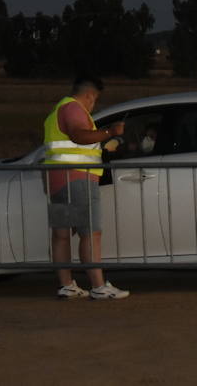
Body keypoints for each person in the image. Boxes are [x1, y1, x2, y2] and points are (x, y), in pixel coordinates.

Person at [43, 77, 129, 299]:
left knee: (61, 235)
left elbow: (76, 141)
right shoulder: (73, 108)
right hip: (78, 179)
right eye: (94, 101)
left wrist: (102, 142)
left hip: (58, 180)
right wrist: (111, 132)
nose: (93, 106)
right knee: (91, 233)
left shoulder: (58, 109)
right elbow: (78, 135)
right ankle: (99, 287)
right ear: (90, 95)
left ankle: (66, 286)